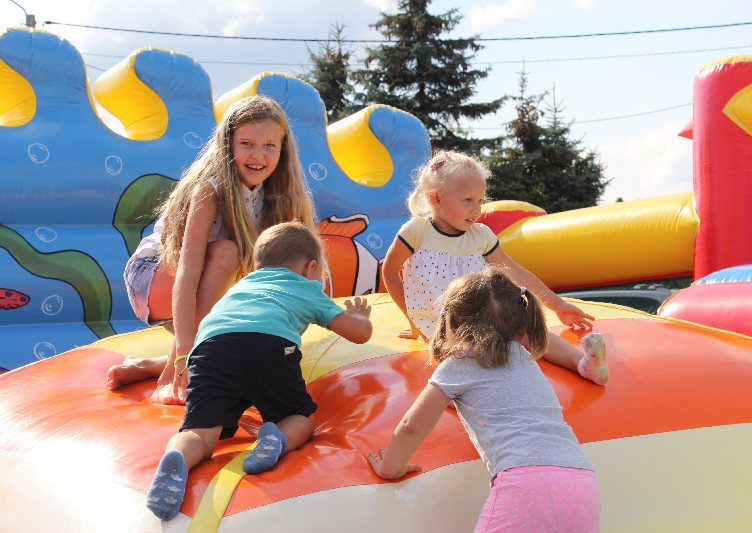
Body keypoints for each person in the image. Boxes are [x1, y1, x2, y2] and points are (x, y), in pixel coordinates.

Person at [146, 221, 373, 521]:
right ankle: (277, 438)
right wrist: (358, 315)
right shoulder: (305, 287)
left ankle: (177, 456)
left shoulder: (241, 287)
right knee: (300, 418)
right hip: (269, 348)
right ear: (310, 267)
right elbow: (358, 334)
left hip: (211, 350)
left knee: (199, 433)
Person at [107, 95, 316, 404]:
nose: (258, 155)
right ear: (228, 145)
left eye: (270, 145)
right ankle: (170, 375)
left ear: (283, 149)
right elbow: (188, 274)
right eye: (247, 143)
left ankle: (151, 365)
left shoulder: (281, 197)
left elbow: (300, 276)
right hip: (155, 277)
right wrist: (183, 357)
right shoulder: (210, 190)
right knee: (228, 252)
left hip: (206, 289)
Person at [368, 267, 600, 532]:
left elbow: (413, 425)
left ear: (454, 324)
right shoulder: (525, 359)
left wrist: (390, 468)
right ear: (521, 323)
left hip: (525, 482)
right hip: (582, 481)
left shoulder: (460, 363)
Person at [381, 150, 608, 385]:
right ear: (436, 198)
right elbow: (389, 271)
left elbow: (514, 271)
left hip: (482, 317)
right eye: (467, 200)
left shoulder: (481, 236)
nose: (476, 209)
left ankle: (585, 364)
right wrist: (413, 321)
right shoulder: (417, 232)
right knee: (468, 354)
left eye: (480, 201)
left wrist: (557, 304)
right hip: (441, 326)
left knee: (529, 332)